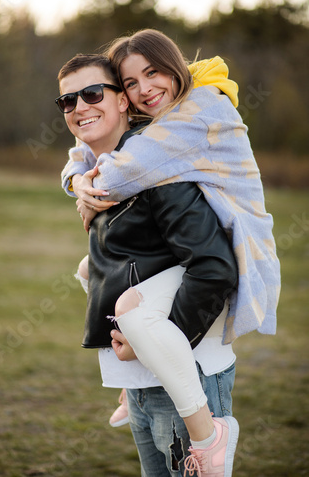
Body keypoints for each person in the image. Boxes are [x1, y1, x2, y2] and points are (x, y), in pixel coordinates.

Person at [56, 52, 240, 476]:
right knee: (87, 267)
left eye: (92, 93)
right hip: (141, 384)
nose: (80, 106)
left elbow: (213, 269)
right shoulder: (105, 171)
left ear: (123, 100)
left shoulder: (159, 168)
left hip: (186, 377)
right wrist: (80, 183)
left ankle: (211, 438)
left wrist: (139, 344)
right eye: (68, 101)